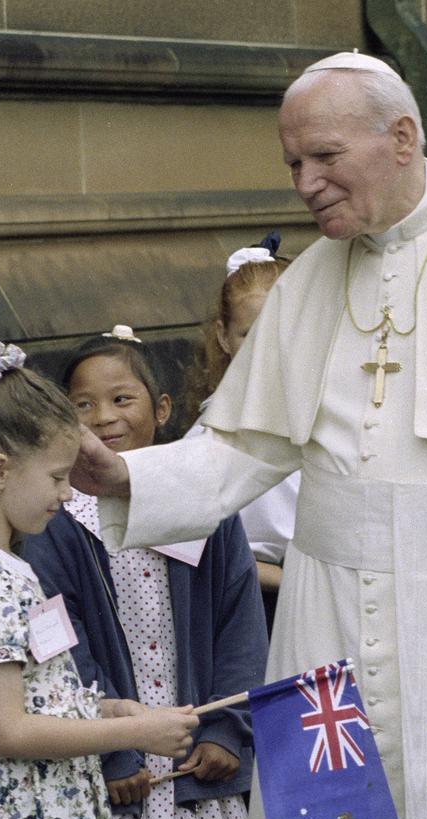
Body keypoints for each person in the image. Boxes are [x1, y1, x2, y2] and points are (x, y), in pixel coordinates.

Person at [71, 52, 427, 819]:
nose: (305, 181)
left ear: (401, 137)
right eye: (294, 162)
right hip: (326, 617)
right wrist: (125, 476)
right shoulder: (308, 281)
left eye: (325, 157)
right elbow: (240, 447)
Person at [23, 327, 268, 819]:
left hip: (198, 771)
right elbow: (66, 647)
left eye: (121, 399)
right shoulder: (56, 523)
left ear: (161, 409)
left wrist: (227, 732)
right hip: (116, 780)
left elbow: (240, 625)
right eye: (81, 405)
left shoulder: (210, 512)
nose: (103, 417)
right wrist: (112, 748)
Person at [0, 337, 198, 819]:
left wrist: (102, 707)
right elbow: (9, 730)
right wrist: (133, 731)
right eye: (55, 477)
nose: (68, 493)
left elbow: (33, 697)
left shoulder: (12, 568)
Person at [184, 235, 300, 636]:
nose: (268, 349)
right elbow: (193, 543)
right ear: (223, 336)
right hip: (253, 603)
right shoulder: (209, 434)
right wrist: (284, 579)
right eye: (251, 335)